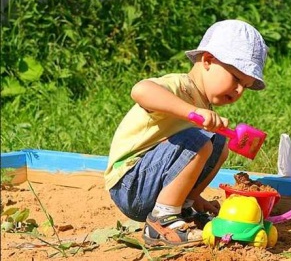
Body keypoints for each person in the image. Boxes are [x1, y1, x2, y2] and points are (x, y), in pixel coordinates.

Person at [104, 19, 268, 246]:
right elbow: (140, 90)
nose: (239, 90)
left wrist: (195, 196)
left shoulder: (204, 105)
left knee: (218, 142)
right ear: (208, 60)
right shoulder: (179, 86)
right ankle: (161, 221)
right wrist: (192, 112)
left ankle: (183, 205)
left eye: (246, 86)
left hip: (148, 184)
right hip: (129, 184)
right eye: (236, 78)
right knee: (197, 140)